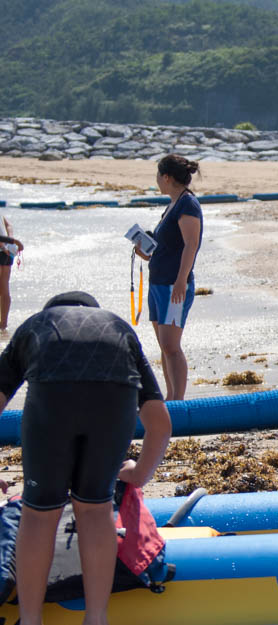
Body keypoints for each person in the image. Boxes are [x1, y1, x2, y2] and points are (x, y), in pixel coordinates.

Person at [0, 291, 172, 625]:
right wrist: (139, 473)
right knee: (95, 508)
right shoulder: (120, 330)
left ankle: (31, 620)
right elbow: (161, 424)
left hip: (53, 399)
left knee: (39, 514)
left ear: (52, 312)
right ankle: (96, 618)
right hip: (113, 398)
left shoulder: (35, 327)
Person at [135, 154, 203, 401]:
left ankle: (178, 400)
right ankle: (171, 396)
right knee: (165, 347)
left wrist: (181, 280)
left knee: (172, 346)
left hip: (173, 285)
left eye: (157, 176)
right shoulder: (173, 204)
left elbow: (191, 244)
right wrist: (145, 250)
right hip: (158, 282)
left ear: (166, 177)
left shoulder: (187, 204)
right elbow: (167, 245)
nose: (156, 181)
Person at [0, 216, 24, 331]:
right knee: (4, 289)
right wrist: (11, 242)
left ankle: (3, 325)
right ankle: (3, 325)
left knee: (3, 289)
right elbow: (8, 224)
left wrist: (10, 243)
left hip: (4, 249)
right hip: (6, 253)